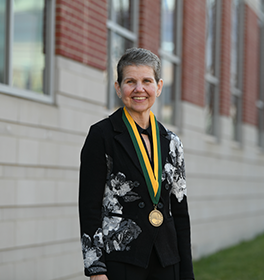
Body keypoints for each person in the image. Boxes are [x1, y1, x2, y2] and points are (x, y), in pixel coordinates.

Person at [79, 48, 195, 280]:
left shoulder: (172, 142)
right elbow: (89, 207)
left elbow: (180, 212)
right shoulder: (102, 135)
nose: (139, 89)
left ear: (159, 87)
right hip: (121, 259)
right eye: (130, 81)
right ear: (118, 88)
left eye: (146, 81)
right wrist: (96, 269)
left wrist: (187, 273)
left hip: (167, 259)